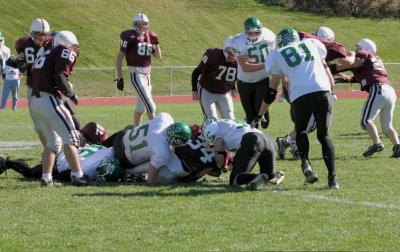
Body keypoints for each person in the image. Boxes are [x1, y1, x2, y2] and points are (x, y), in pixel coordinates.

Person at [255, 28, 338, 189]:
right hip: (323, 91)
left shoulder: (277, 55)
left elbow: (272, 91)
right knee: (324, 136)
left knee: (300, 131)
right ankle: (333, 179)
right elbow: (322, 62)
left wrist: (260, 114)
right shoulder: (312, 43)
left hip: (300, 95)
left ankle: (305, 163)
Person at [276, 26, 352, 160]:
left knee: (309, 123)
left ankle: (291, 143)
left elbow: (325, 70)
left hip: (304, 90)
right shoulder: (310, 46)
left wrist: (340, 76)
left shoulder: (311, 46)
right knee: (310, 123)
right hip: (298, 91)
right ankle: (288, 142)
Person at [29, 30, 87, 186]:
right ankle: (78, 175)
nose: (74, 49)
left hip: (35, 101)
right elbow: (60, 75)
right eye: (73, 46)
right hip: (49, 100)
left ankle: (46, 178)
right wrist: (71, 94)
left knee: (53, 144)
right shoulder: (64, 49)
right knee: (72, 137)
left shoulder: (46, 52)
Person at [330, 39, 400, 158]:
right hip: (390, 91)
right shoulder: (372, 63)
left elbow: (354, 62)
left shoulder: (364, 54)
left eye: (358, 47)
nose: (356, 49)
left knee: (365, 121)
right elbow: (352, 78)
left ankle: (377, 143)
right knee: (387, 127)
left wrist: (334, 68)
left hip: (378, 88)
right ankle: (398, 147)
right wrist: (337, 77)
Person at [201, 118, 285, 190]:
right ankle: (273, 177)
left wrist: (221, 166)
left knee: (235, 180)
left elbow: (219, 156)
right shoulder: (227, 123)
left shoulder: (211, 127)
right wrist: (233, 164)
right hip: (269, 141)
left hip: (253, 140)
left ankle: (256, 177)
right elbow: (241, 155)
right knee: (269, 179)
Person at [111, 112, 192, 184]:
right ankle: (128, 172)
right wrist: (171, 181)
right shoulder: (163, 152)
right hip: (123, 159)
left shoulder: (165, 117)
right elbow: (151, 181)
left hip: (121, 136)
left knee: (134, 128)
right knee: (164, 161)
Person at [229, 16, 276, 129]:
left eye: (256, 32)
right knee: (250, 116)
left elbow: (276, 54)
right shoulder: (238, 41)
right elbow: (246, 67)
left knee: (259, 106)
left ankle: (264, 111)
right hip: (244, 82)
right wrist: (267, 65)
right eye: (250, 33)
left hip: (262, 80)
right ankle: (254, 138)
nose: (253, 35)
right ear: (245, 32)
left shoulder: (269, 36)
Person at [115, 13, 161, 126]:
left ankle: (136, 131)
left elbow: (158, 56)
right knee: (150, 106)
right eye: (139, 24)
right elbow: (119, 58)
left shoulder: (150, 36)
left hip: (148, 75)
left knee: (141, 108)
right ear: (134, 24)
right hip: (136, 74)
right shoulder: (130, 37)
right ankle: (157, 131)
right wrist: (119, 77)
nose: (141, 27)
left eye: (144, 24)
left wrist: (156, 43)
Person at [0, 145, 121, 183]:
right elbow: (65, 175)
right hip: (59, 161)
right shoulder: (89, 169)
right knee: (30, 173)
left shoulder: (109, 151)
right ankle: (6, 162)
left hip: (67, 154)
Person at [191, 36, 237, 120]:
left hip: (224, 92)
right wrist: (194, 90)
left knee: (230, 119)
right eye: (233, 52)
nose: (235, 56)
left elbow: (231, 75)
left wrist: (233, 87)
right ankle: (207, 133)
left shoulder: (240, 59)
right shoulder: (212, 55)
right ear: (226, 50)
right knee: (211, 119)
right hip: (207, 90)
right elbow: (196, 72)